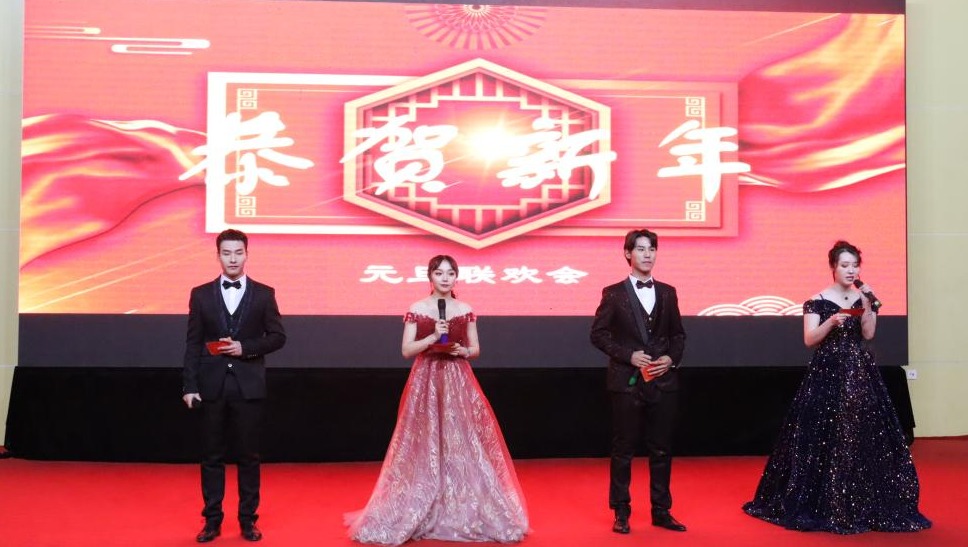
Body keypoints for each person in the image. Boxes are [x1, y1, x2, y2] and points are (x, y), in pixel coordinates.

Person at [743, 240, 931, 534]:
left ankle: (857, 500)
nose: (850, 270)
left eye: (855, 265)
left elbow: (868, 333)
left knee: (859, 433)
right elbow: (809, 339)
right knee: (823, 433)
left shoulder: (863, 298)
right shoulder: (816, 301)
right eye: (845, 265)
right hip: (826, 372)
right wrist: (831, 322)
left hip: (859, 373)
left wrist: (868, 306)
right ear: (833, 267)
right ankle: (825, 500)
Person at [346, 255, 528, 545]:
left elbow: (475, 349)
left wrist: (462, 351)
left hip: (457, 378)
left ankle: (460, 504)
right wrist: (432, 338)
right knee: (423, 440)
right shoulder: (417, 308)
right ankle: (421, 502)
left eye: (450, 273)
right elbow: (407, 350)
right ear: (430, 276)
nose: (445, 278)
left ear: (456, 277)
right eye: (439, 273)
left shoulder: (465, 309)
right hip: (426, 378)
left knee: (461, 439)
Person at [182, 229, 286, 543]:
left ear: (246, 254)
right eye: (226, 253)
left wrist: (246, 348)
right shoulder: (200, 294)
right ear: (218, 255)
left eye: (238, 253)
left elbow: (278, 337)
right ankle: (212, 521)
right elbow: (193, 343)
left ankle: (248, 521)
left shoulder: (264, 293)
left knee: (249, 456)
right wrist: (189, 385)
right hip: (210, 386)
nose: (232, 259)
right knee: (211, 456)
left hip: (248, 387)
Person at [590, 228, 687, 535]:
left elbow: (678, 335)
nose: (648, 254)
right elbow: (598, 334)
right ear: (628, 254)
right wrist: (628, 355)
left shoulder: (668, 292)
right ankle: (621, 511)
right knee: (624, 450)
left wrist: (671, 358)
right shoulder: (613, 293)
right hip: (626, 383)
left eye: (652, 249)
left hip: (663, 381)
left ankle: (661, 511)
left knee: (661, 449)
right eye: (641, 249)